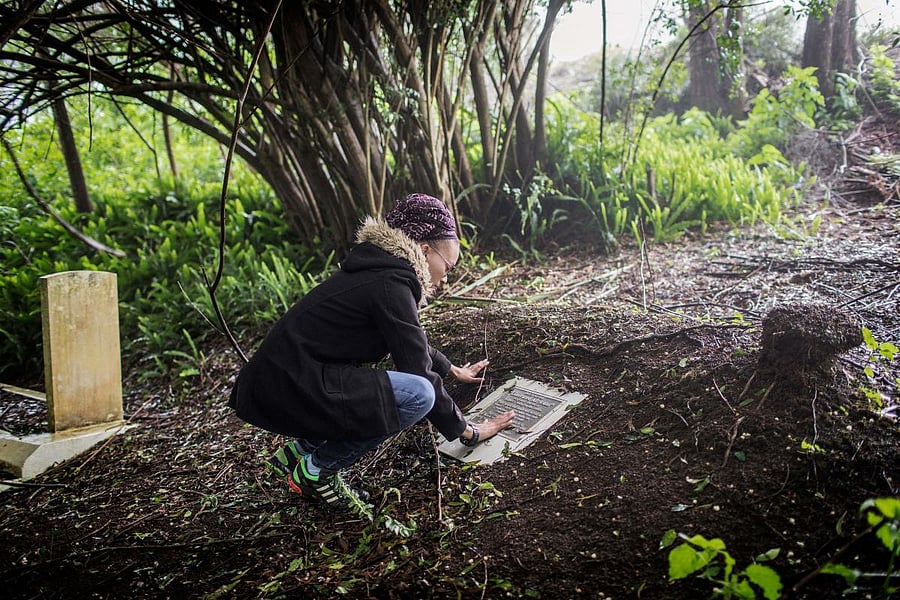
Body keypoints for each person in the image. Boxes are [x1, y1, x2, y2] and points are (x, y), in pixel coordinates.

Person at [228, 193, 515, 510]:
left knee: (397, 389)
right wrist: (466, 430)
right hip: (292, 387)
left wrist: (450, 369)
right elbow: (417, 371)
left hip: (282, 382)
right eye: (448, 265)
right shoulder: (391, 283)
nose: (446, 277)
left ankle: (298, 452)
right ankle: (316, 471)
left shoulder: (380, 271)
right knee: (418, 394)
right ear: (423, 250)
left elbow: (408, 339)